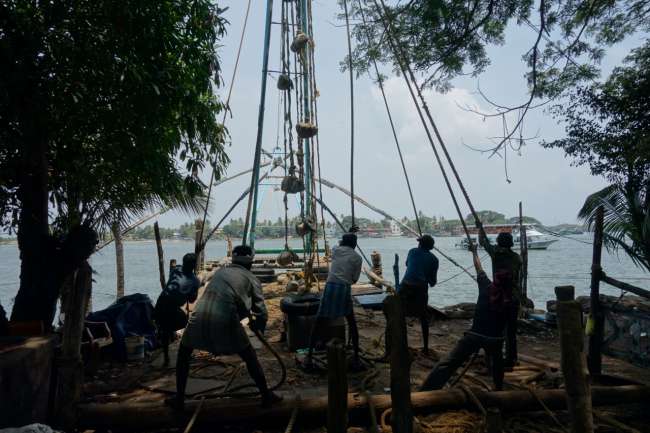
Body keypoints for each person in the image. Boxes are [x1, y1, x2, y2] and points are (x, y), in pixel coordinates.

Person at [166, 245, 281, 409]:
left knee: (184, 353)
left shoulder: (220, 273)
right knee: (249, 356)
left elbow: (228, 297)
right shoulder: (252, 279)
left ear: (233, 260)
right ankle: (266, 395)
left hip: (197, 317)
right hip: (224, 319)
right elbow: (261, 312)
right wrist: (259, 329)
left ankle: (180, 398)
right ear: (251, 262)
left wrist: (246, 314)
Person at [419, 245, 510, 391]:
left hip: (474, 336)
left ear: (496, 279)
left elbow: (478, 267)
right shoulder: (510, 300)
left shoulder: (486, 285)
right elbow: (507, 326)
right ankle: (498, 390)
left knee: (448, 363)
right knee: (497, 364)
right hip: (495, 340)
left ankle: (427, 390)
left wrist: (474, 252)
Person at [306, 233, 363, 368]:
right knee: (351, 322)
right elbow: (354, 279)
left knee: (319, 320)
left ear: (343, 242)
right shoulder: (357, 258)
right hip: (344, 288)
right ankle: (355, 355)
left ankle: (309, 355)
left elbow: (339, 244)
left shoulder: (336, 250)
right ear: (354, 244)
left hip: (330, 287)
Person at [477, 223, 522, 367]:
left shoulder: (496, 254)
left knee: (495, 329)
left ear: (498, 242)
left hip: (498, 298)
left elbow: (483, 242)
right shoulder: (517, 258)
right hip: (513, 297)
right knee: (511, 331)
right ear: (511, 243)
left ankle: (493, 360)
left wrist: (480, 229)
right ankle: (511, 359)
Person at [154, 253, 200, 366]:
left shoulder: (176, 270)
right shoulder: (194, 281)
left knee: (166, 329)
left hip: (159, 304)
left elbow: (175, 274)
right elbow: (192, 300)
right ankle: (186, 352)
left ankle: (166, 357)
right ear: (194, 265)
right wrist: (195, 287)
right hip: (171, 308)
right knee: (188, 324)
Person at [396, 234, 439, 354]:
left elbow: (407, 264)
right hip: (420, 289)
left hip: (405, 286)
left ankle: (400, 343)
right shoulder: (434, 259)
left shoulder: (412, 251)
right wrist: (429, 278)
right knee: (423, 317)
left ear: (419, 244)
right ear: (431, 247)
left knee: (399, 314)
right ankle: (425, 348)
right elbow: (433, 282)